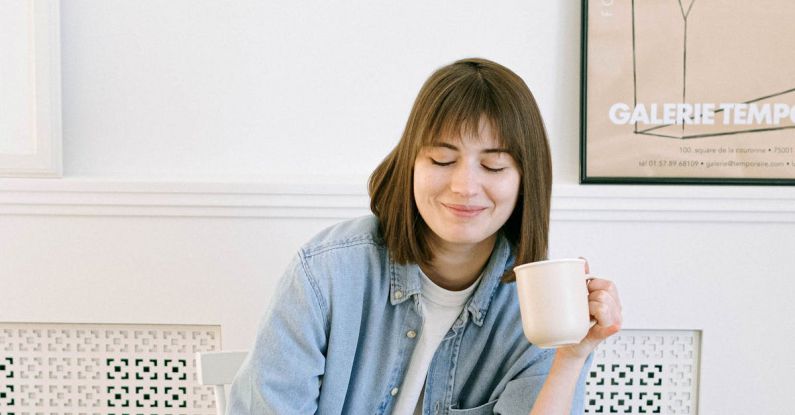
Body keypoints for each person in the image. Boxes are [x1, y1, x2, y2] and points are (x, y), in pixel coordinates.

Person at [227, 58, 623, 415]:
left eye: (494, 165)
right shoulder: (326, 272)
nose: (465, 186)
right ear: (410, 163)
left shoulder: (539, 306)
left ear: (525, 182)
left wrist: (571, 356)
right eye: (442, 160)